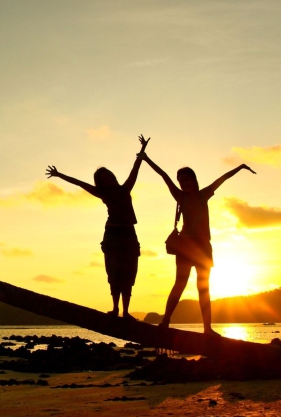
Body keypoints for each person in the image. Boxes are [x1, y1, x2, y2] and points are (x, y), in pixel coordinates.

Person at [138, 152, 255, 335]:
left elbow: (222, 179)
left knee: (203, 288)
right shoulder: (180, 197)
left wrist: (239, 168)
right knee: (180, 284)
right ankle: (165, 321)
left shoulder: (204, 194)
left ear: (194, 179)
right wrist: (146, 158)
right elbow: (164, 176)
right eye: (181, 181)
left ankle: (207, 328)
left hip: (203, 248)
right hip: (185, 246)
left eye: (187, 180)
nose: (184, 184)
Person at [46, 134, 150, 317]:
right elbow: (79, 183)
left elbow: (136, 168)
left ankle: (125, 311)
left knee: (129, 271)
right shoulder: (102, 193)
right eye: (103, 178)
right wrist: (58, 174)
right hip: (112, 235)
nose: (108, 179)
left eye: (109, 176)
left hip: (128, 234)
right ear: (100, 183)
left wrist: (143, 149)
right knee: (114, 271)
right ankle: (116, 308)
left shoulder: (125, 188)